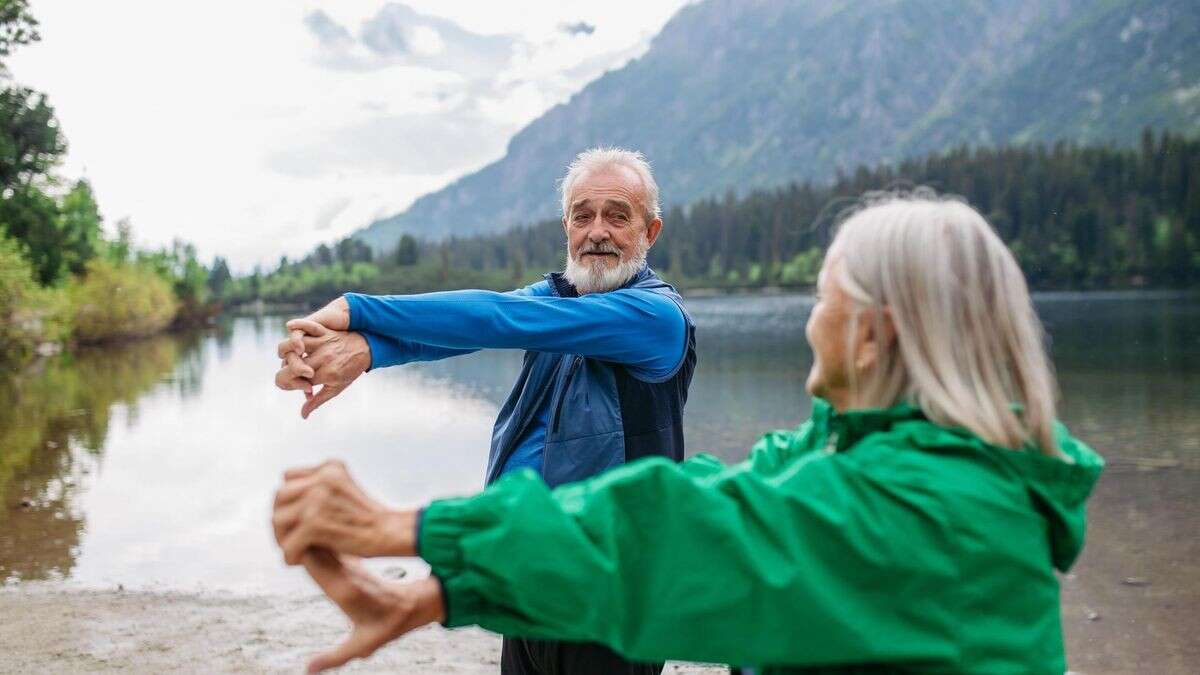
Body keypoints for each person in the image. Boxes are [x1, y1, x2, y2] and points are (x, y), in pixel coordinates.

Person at [273, 192, 1104, 674]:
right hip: (548, 573)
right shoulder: (846, 451)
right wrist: (443, 590)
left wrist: (405, 528)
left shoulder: (934, 506)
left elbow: (682, 529)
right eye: (581, 214)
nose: (810, 322)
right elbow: (714, 492)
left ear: (874, 335)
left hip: (584, 581)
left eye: (824, 298)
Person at [275, 148, 696, 675]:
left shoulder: (654, 317)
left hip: (609, 592)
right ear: (565, 225)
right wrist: (363, 352)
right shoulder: (562, 299)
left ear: (650, 232)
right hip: (525, 576)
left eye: (618, 215)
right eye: (583, 215)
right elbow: (460, 329)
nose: (597, 231)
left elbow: (498, 318)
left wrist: (356, 309)